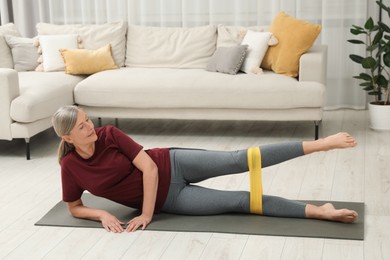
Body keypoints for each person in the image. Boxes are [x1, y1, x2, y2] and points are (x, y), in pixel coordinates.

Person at [52, 105, 358, 233]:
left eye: (88, 120)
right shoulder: (70, 166)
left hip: (171, 163)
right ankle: (320, 211)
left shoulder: (109, 136)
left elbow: (149, 170)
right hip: (171, 200)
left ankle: (321, 144)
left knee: (240, 159)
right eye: (82, 126)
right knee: (240, 202)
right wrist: (102, 213)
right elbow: (74, 206)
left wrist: (145, 215)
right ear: (68, 137)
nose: (90, 126)